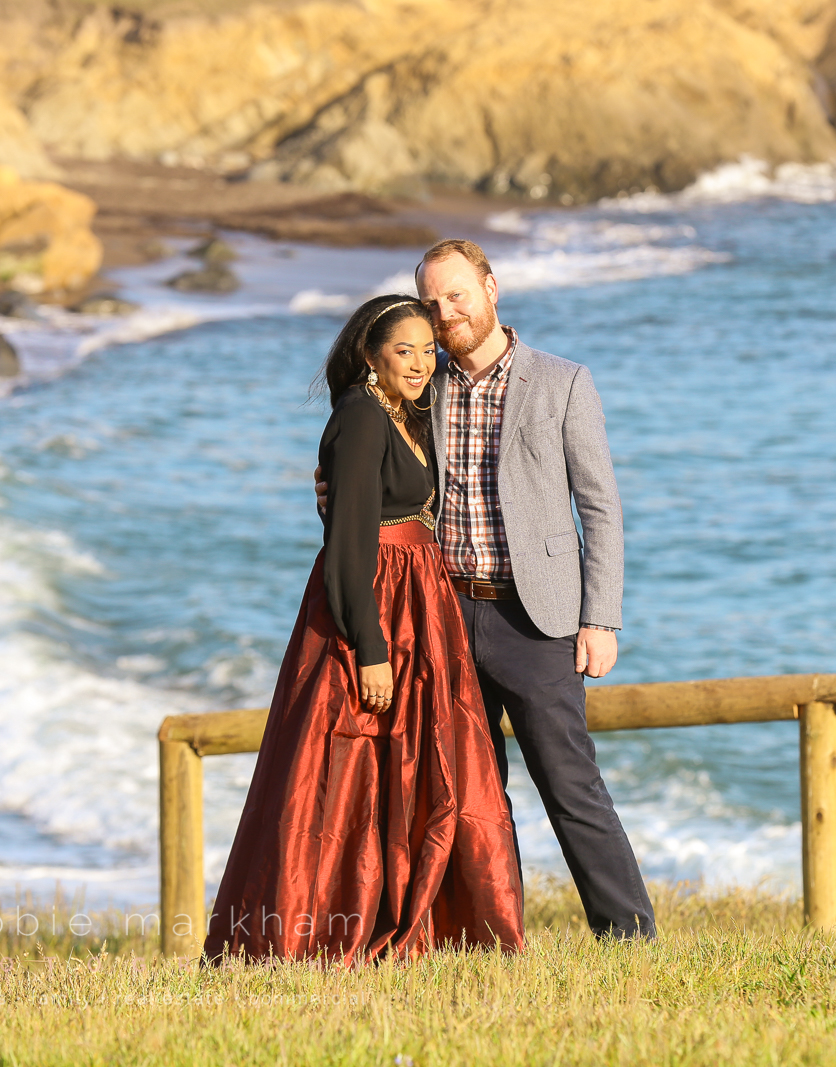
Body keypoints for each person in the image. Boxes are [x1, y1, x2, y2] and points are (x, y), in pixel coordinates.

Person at [318, 240, 656, 940]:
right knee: (467, 790)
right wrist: (327, 492)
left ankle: (630, 936)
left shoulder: (562, 382)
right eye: (434, 302)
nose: (447, 314)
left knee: (570, 786)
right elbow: (377, 479)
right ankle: (487, 934)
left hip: (537, 622)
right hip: (441, 613)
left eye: (458, 295)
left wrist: (602, 618)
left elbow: (600, 506)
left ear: (491, 287)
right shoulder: (423, 383)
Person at [204, 294, 525, 965]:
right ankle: (315, 931)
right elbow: (347, 544)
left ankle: (428, 920)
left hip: (419, 601)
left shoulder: (406, 413)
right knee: (347, 771)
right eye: (402, 350)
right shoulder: (358, 413)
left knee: (416, 766)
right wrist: (371, 650)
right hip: (374, 608)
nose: (418, 362)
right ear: (370, 355)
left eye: (426, 350)